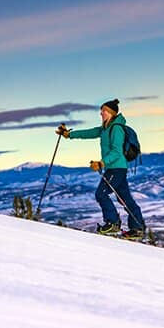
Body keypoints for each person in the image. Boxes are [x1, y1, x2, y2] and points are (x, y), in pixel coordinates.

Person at [56, 99, 145, 238]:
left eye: (104, 111)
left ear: (111, 112)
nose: (101, 113)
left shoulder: (116, 129)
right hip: (116, 168)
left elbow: (117, 152)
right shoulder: (105, 128)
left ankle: (113, 223)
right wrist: (69, 134)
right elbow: (89, 133)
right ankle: (137, 228)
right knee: (125, 199)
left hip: (116, 168)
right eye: (101, 110)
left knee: (101, 194)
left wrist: (101, 163)